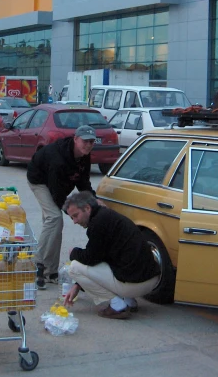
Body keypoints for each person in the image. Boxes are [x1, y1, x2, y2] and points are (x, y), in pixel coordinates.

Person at [62, 191, 160, 319]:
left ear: (87, 208)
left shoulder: (98, 224)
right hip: (151, 279)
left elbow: (91, 259)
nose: (75, 221)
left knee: (74, 267)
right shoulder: (108, 216)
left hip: (134, 284)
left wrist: (73, 252)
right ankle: (128, 301)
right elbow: (100, 257)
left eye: (76, 215)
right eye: (71, 218)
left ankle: (118, 306)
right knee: (114, 261)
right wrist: (78, 285)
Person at [27, 125, 98, 289]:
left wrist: (94, 201)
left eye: (92, 141)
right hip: (40, 181)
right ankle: (37, 265)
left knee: (54, 225)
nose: (88, 145)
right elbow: (57, 195)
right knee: (55, 218)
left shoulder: (84, 157)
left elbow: (83, 183)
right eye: (85, 141)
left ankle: (50, 272)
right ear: (75, 139)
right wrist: (72, 212)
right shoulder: (57, 158)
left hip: (57, 186)